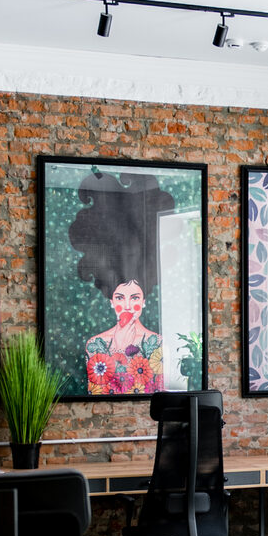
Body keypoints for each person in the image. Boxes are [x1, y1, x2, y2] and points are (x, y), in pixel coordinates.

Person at [67, 169, 173, 395]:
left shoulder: (157, 345)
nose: (127, 305)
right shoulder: (96, 345)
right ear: (112, 302)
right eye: (120, 298)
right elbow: (97, 397)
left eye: (134, 298)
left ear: (143, 301)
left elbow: (160, 397)